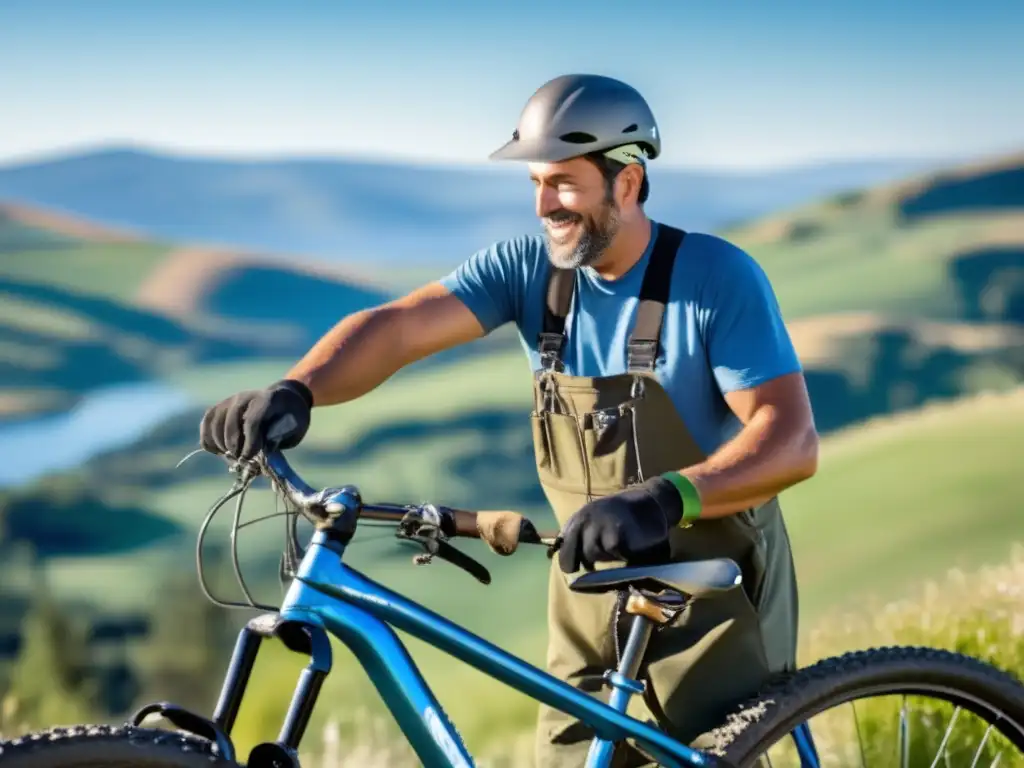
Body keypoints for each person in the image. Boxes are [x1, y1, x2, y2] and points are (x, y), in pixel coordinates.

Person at [198, 73, 819, 766]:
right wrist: (298, 390)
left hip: (709, 589)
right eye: (535, 184)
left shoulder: (713, 278)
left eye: (564, 183)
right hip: (587, 582)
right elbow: (399, 329)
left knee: (709, 756)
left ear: (629, 183)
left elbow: (789, 440)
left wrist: (667, 497)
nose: (545, 204)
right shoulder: (532, 271)